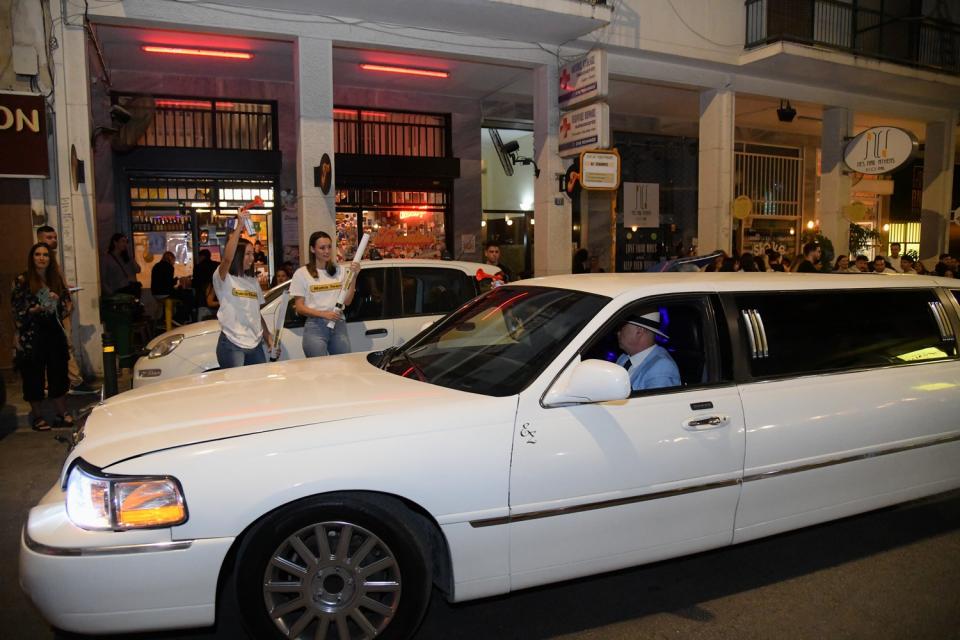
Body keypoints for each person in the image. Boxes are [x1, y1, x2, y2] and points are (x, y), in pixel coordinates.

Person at [12, 243, 73, 431]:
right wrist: (35, 309)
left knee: (59, 373)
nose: (41, 258)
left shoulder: (55, 279)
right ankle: (38, 416)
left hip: (54, 332)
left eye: (45, 255)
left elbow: (67, 306)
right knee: (33, 376)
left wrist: (58, 301)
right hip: (32, 335)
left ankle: (61, 413)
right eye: (37, 254)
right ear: (32, 257)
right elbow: (16, 310)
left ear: (50, 258)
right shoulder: (22, 280)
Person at [212, 209, 274, 368]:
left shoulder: (252, 281)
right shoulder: (224, 277)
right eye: (248, 254)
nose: (252, 258)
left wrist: (268, 337)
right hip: (232, 344)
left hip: (255, 344)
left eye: (253, 254)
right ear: (238, 255)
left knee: (257, 382)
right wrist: (240, 225)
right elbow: (227, 258)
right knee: (236, 384)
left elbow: (256, 313)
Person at [290, 231, 360, 357]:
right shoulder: (302, 273)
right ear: (312, 249)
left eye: (329, 247)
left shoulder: (340, 270)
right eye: (322, 248)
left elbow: (347, 301)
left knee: (343, 365)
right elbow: (299, 307)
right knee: (318, 367)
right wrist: (324, 314)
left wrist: (354, 276)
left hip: (338, 323)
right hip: (315, 326)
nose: (327, 251)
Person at [615, 312, 681, 391]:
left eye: (621, 327)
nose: (618, 332)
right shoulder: (624, 358)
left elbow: (656, 400)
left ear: (639, 331)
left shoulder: (661, 368)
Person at [102, 233, 142, 297]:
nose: (125, 244)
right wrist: (110, 293)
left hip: (132, 288)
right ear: (115, 243)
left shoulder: (127, 257)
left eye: (126, 242)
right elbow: (103, 279)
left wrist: (131, 257)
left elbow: (138, 270)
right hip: (119, 290)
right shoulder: (107, 258)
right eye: (123, 241)